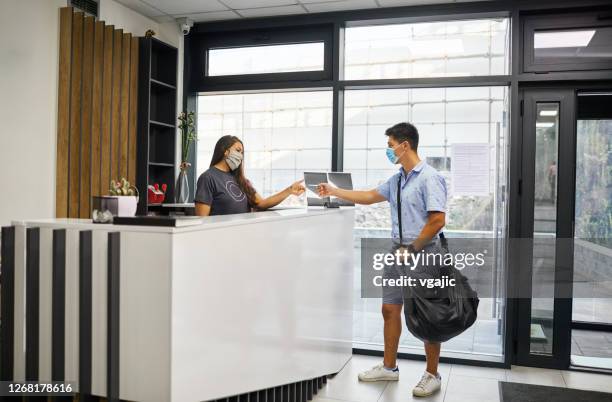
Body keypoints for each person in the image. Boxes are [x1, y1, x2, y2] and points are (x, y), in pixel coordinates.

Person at [317, 122, 447, 397]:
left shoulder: (430, 177)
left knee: (427, 315)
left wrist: (412, 248)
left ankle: (432, 373)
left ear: (405, 145)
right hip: (397, 252)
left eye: (390, 146)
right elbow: (368, 196)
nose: (389, 151)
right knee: (389, 309)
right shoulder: (398, 179)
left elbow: (437, 220)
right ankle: (389, 367)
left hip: (422, 253)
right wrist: (334, 191)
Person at [194, 135, 305, 216]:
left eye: (242, 153)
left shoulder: (242, 180)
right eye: (238, 150)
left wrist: (289, 190)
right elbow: (202, 219)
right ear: (225, 151)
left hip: (243, 237)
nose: (240, 156)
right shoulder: (208, 178)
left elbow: (262, 203)